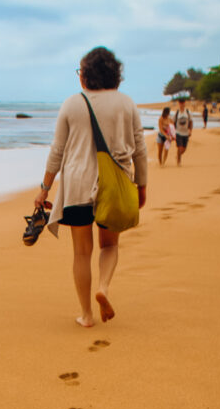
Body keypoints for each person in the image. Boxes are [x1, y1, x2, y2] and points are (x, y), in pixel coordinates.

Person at [33, 46, 147, 327]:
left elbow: (57, 151)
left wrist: (44, 188)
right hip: (114, 185)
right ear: (115, 76)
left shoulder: (72, 103)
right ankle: (104, 287)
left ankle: (86, 315)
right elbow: (140, 150)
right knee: (109, 245)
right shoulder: (127, 104)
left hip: (77, 186)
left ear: (84, 77)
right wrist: (141, 186)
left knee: (81, 252)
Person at [173, 96, 193, 165]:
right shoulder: (177, 113)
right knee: (180, 147)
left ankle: (178, 156)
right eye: (180, 103)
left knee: (184, 149)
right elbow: (173, 122)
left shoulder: (188, 112)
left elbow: (190, 122)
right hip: (178, 132)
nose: (182, 104)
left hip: (186, 133)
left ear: (185, 103)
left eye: (183, 103)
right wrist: (173, 132)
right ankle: (179, 161)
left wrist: (190, 130)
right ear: (179, 104)